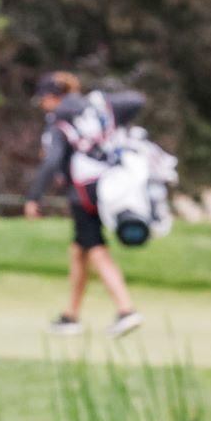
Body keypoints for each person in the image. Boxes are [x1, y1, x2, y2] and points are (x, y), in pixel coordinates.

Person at [23, 71, 144, 338]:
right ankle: (71, 316)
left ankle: (126, 310)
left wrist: (34, 197)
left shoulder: (59, 121)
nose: (42, 106)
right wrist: (102, 102)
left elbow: (52, 161)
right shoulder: (95, 109)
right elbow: (137, 100)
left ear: (52, 97)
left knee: (95, 250)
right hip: (110, 186)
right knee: (79, 251)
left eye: (43, 100)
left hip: (84, 194)